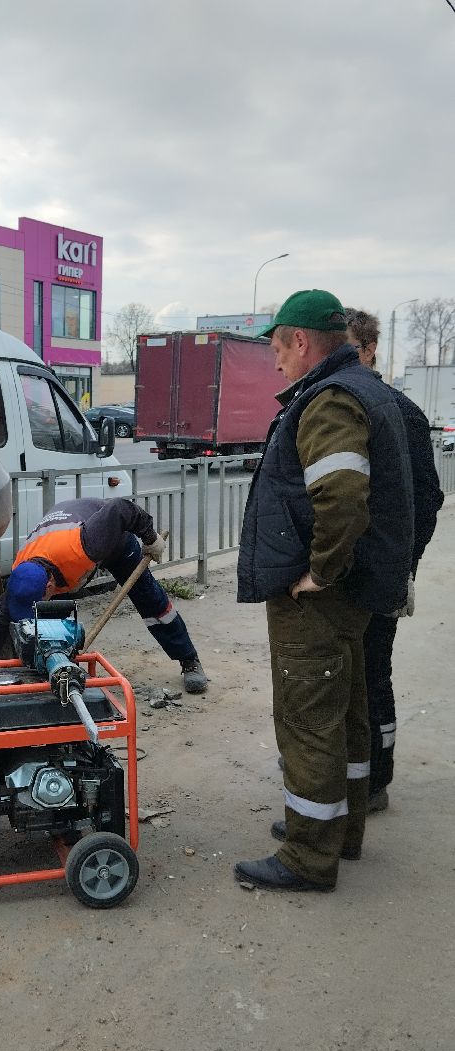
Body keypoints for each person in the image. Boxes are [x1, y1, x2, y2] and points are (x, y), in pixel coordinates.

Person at [234, 290, 413, 892]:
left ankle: (309, 857)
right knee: (348, 714)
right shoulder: (367, 389)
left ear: (301, 341)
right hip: (360, 592)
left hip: (321, 599)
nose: (276, 362)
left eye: (278, 349)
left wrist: (322, 572)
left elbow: (340, 497)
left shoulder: (330, 400)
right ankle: (344, 831)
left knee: (309, 719)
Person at [342, 309, 443, 811]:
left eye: (351, 345)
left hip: (379, 575)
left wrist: (401, 565)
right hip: (346, 574)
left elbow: (428, 498)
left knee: (372, 673)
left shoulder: (400, 411)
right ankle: (341, 765)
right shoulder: (341, 403)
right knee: (339, 674)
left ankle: (375, 779)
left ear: (370, 350)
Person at [0, 496, 208, 693]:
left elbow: (120, 509)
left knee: (148, 596)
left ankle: (188, 659)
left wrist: (150, 538)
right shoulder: (23, 574)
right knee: (44, 622)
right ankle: (51, 665)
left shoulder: (86, 544)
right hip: (59, 547)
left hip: (110, 541)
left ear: (49, 586)